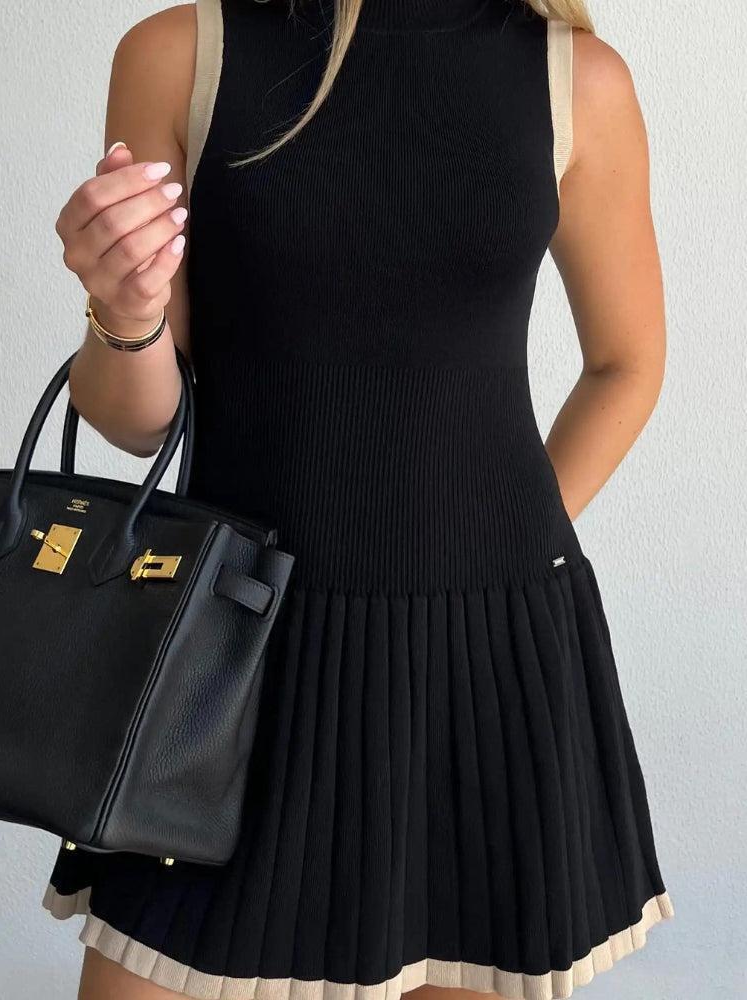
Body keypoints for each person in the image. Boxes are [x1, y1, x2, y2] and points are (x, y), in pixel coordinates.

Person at [45, 1, 674, 997]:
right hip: (234, 663)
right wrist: (124, 311)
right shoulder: (182, 54)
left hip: (484, 669)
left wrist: (494, 555)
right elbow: (138, 423)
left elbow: (627, 363)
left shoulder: (576, 79)